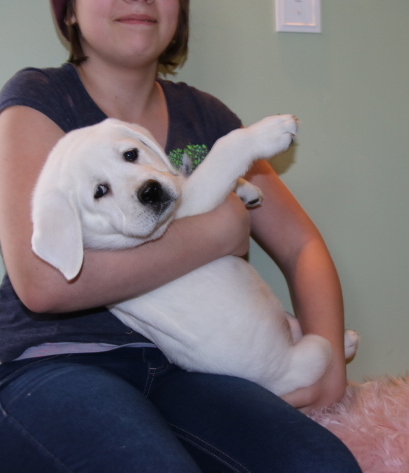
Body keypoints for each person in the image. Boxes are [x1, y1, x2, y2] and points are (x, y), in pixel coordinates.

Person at [0, 0, 362, 471]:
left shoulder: (206, 116)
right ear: (68, 11)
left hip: (190, 368)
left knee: (322, 464)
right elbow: (44, 283)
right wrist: (221, 230)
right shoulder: (41, 96)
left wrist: (329, 363)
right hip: (59, 362)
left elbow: (300, 245)